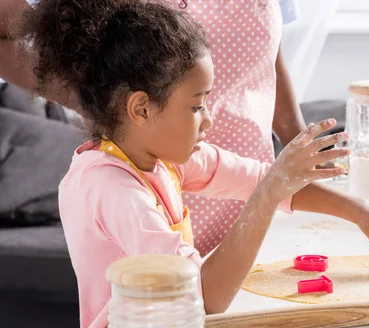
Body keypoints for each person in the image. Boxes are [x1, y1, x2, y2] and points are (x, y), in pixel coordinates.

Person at [16, 0, 369, 328]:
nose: (209, 121)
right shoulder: (111, 188)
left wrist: (363, 214)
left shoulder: (164, 161)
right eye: (196, 106)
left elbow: (262, 180)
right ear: (140, 108)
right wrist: (267, 195)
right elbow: (203, 296)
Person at [0, 0, 309, 256]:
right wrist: (100, 101)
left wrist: (305, 144)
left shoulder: (236, 173)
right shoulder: (114, 193)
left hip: (250, 182)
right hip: (150, 191)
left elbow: (267, 56)